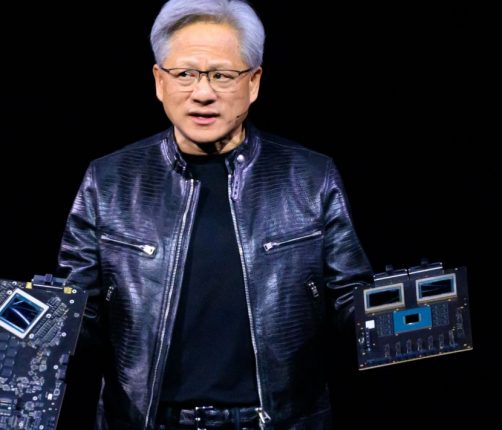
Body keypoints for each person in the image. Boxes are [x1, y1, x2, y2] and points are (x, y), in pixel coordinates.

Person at [58, 0, 372, 428]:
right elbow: (76, 315)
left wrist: (419, 318)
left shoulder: (309, 176)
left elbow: (352, 302)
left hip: (280, 421)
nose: (202, 93)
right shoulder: (110, 180)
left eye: (222, 76)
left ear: (253, 82)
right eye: (185, 74)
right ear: (159, 81)